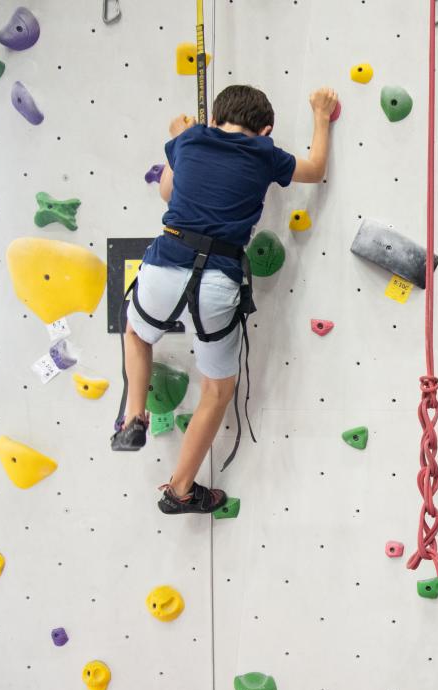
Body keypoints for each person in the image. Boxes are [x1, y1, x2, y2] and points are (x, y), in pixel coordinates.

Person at [111, 84, 339, 514]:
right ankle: (179, 489)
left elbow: (166, 193)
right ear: (266, 129)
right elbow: (315, 168)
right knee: (217, 390)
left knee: (138, 336)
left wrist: (180, 136)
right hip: (218, 279)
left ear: (214, 119)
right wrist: (321, 117)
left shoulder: (191, 139)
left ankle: (134, 416)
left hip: (165, 265)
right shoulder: (267, 153)